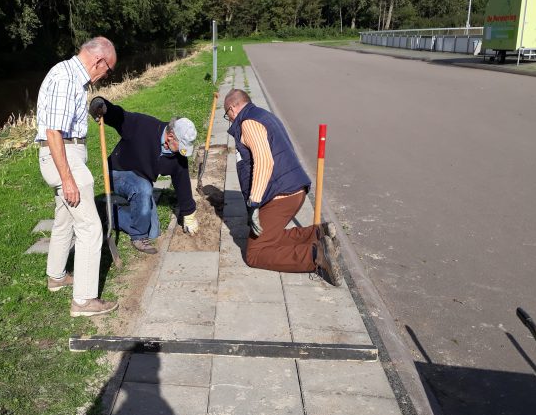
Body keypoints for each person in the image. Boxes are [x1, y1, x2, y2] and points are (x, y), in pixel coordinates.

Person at [223, 89, 343, 285]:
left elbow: (264, 161)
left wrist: (254, 202)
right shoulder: (265, 115)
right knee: (273, 236)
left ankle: (317, 255)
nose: (228, 119)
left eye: (226, 114)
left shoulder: (248, 123)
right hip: (295, 189)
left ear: (232, 108)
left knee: (255, 253)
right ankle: (318, 233)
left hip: (280, 196)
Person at [35, 37, 119, 317]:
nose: (106, 77)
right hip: (64, 158)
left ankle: (56, 276)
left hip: (66, 155)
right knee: (90, 228)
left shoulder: (71, 77)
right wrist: (68, 178)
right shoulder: (65, 77)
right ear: (99, 61)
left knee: (64, 218)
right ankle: (83, 300)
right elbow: (53, 132)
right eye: (108, 71)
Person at [88, 96, 198, 254]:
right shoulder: (143, 125)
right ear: (170, 137)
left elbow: (182, 182)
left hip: (140, 179)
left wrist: (189, 214)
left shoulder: (177, 157)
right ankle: (138, 237)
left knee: (153, 231)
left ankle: (109, 213)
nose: (183, 151)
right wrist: (102, 104)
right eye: (181, 145)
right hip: (117, 172)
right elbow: (119, 116)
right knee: (143, 188)